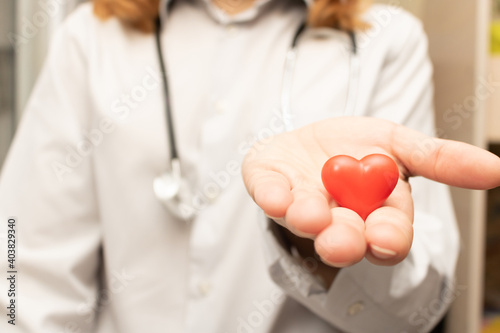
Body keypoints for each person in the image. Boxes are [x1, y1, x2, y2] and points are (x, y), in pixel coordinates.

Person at [1, 0, 499, 332]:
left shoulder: (386, 41)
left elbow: (424, 306)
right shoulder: (88, 38)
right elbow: (21, 262)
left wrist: (310, 248)